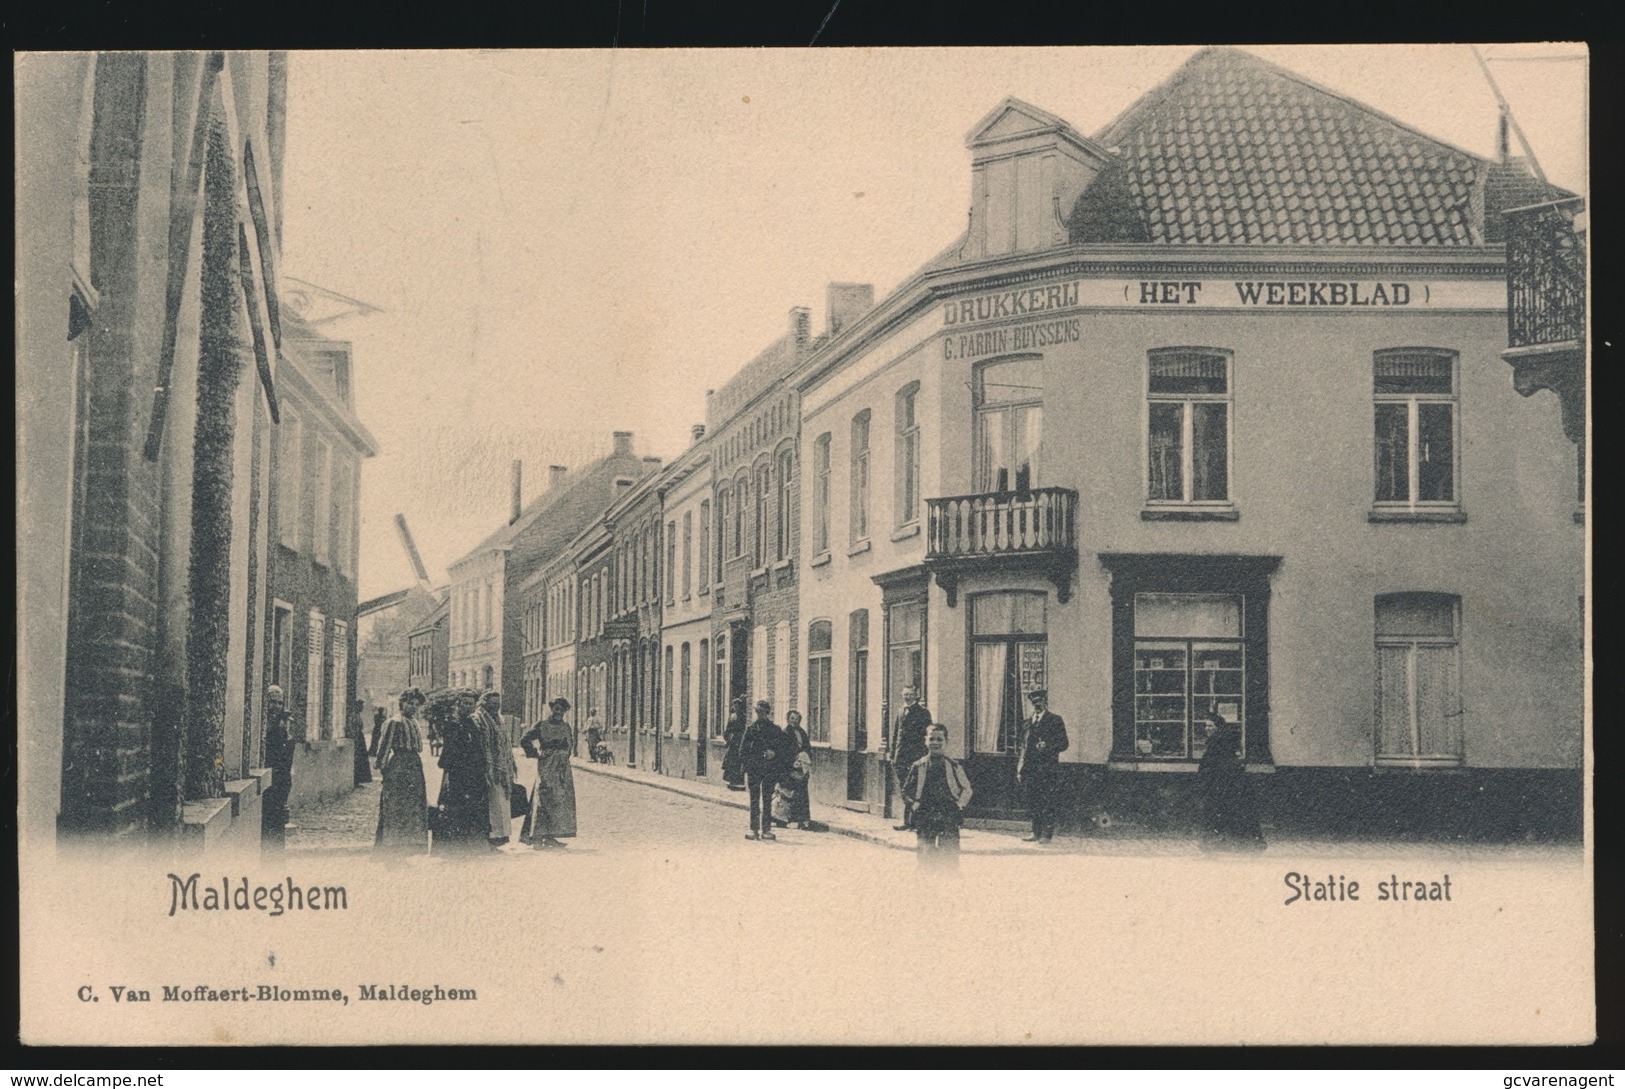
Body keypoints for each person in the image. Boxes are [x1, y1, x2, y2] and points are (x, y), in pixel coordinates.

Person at [902, 723, 974, 869]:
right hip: (925, 813)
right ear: (925, 741)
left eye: (939, 739)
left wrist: (959, 804)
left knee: (950, 855)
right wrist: (914, 804)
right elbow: (905, 791)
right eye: (932, 739)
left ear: (946, 742)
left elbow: (967, 789)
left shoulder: (954, 766)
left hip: (948, 813)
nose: (935, 743)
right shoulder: (918, 766)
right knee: (925, 855)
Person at [434, 689, 492, 854]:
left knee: (474, 806)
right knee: (456, 806)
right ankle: (454, 845)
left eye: (470, 704)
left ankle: (472, 844)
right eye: (464, 703)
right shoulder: (452, 724)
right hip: (458, 772)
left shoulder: (472, 723)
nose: (467, 706)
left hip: (474, 772)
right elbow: (450, 750)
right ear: (458, 705)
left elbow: (477, 747)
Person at [1197, 712, 1265, 852]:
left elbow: (1210, 765)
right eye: (1206, 725)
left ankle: (1218, 844)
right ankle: (1247, 844)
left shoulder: (1216, 744)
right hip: (1229, 785)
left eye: (1210, 725)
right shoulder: (1224, 743)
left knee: (1219, 814)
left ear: (1217, 727)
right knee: (1236, 815)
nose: (1207, 728)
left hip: (1222, 786)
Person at [374, 687, 429, 857]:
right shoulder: (394, 722)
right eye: (409, 703)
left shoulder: (414, 722)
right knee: (396, 806)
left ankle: (408, 846)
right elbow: (383, 749)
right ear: (402, 703)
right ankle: (391, 848)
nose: (412, 707)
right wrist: (386, 773)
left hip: (414, 766)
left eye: (416, 704)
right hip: (399, 765)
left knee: (413, 806)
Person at [521, 696, 579, 849]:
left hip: (562, 769)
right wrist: (535, 753)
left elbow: (570, 745)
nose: (558, 711)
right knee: (544, 799)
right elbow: (525, 739)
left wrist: (563, 757)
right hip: (547, 766)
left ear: (565, 711)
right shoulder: (542, 725)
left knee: (559, 801)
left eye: (562, 709)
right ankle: (538, 837)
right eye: (556, 708)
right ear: (551, 709)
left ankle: (551, 836)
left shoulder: (566, 727)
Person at [1017, 689, 1069, 843]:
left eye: (1039, 702)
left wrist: (1048, 745)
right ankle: (1035, 831)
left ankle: (1047, 834)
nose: (1037, 705)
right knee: (1033, 801)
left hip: (1047, 770)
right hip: (1031, 770)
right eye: (1034, 702)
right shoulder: (1027, 723)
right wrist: (1020, 768)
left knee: (1048, 802)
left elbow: (1064, 743)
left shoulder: (1055, 720)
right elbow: (1023, 747)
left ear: (1045, 702)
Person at [476, 688, 519, 848]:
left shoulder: (499, 719)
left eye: (498, 704)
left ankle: (501, 837)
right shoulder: (480, 719)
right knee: (492, 804)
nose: (495, 707)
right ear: (484, 704)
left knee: (502, 802)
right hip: (490, 768)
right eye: (492, 704)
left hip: (502, 768)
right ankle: (492, 837)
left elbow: (505, 743)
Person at [740, 700, 786, 840]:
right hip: (754, 769)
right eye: (758, 712)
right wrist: (754, 758)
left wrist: (774, 754)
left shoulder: (775, 730)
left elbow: (783, 750)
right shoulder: (751, 729)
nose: (760, 715)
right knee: (754, 799)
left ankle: (766, 829)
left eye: (762, 712)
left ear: (768, 712)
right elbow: (742, 751)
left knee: (767, 799)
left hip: (769, 769)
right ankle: (753, 829)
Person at [888, 686, 931, 831]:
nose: (907, 697)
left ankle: (917, 823)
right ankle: (907, 822)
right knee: (904, 790)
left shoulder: (923, 713)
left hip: (915, 758)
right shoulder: (900, 711)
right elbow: (895, 734)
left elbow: (927, 737)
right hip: (900, 758)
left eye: (911, 694)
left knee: (916, 790)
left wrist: (924, 756)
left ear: (916, 695)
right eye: (905, 694)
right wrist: (892, 753)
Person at [260, 685, 295, 849]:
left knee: (276, 834)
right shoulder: (263, 727)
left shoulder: (283, 727)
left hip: (279, 786)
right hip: (266, 785)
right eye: (272, 702)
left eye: (280, 703)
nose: (276, 707)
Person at [772, 709, 814, 830]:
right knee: (786, 793)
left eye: (796, 719)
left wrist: (804, 758)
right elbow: (782, 752)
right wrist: (791, 763)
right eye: (792, 718)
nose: (794, 721)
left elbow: (808, 748)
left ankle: (802, 820)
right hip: (788, 768)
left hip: (800, 768)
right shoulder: (785, 733)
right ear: (788, 719)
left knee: (801, 795)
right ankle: (781, 818)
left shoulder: (803, 733)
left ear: (799, 720)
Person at [721, 696, 748, 791]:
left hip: (740, 740)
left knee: (738, 761)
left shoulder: (744, 717)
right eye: (735, 706)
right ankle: (731, 781)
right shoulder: (732, 717)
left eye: (738, 706)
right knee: (731, 761)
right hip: (733, 741)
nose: (736, 708)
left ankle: (738, 781)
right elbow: (728, 728)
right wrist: (727, 737)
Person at [348, 699, 373, 786]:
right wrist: (355, 737)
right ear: (357, 706)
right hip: (357, 738)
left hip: (360, 738)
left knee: (361, 759)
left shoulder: (357, 715)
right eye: (360, 706)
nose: (362, 708)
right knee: (358, 759)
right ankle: (356, 780)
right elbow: (352, 728)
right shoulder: (353, 716)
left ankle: (359, 780)